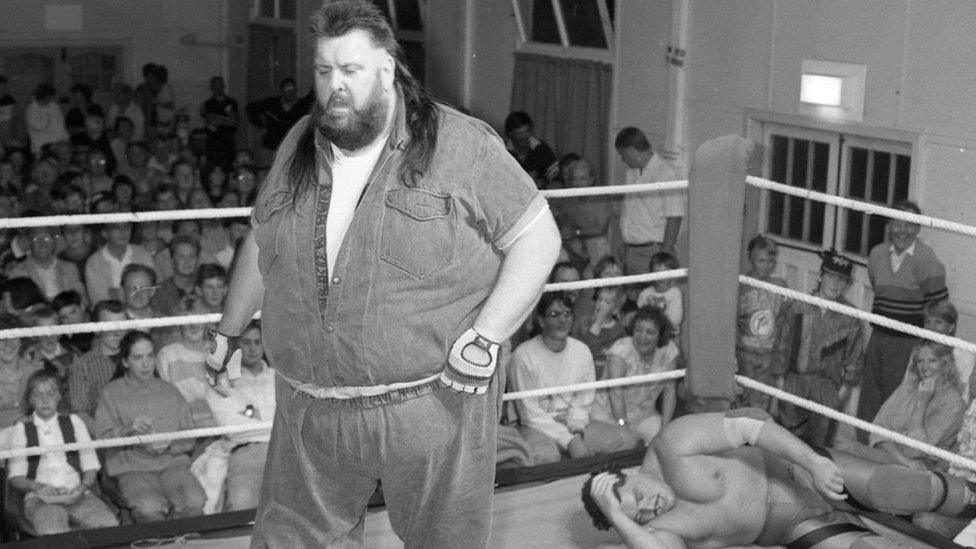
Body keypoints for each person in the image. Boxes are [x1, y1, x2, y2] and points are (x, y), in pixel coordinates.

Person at [205, 2, 560, 547]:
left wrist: (487, 336)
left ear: (388, 70)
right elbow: (262, 238)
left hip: (433, 405)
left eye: (351, 71)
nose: (335, 88)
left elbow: (538, 237)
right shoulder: (301, 142)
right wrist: (228, 331)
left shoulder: (459, 143)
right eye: (324, 72)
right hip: (311, 411)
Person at [583, 409, 976, 548]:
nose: (653, 508)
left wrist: (814, 463)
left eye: (640, 497)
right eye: (642, 516)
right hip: (794, 526)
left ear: (629, 472)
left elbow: (749, 425)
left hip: (798, 472)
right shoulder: (658, 532)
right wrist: (618, 518)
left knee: (899, 488)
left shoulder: (673, 444)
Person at [857, 200, 949, 440]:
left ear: (918, 228)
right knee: (869, 397)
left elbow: (939, 307)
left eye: (908, 225)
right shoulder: (877, 254)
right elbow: (879, 289)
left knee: (896, 399)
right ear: (888, 225)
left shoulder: (927, 260)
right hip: (879, 337)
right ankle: (863, 450)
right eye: (896, 223)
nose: (901, 230)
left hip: (907, 343)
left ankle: (886, 454)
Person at [509, 292, 637, 464]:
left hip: (574, 423)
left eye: (567, 314)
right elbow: (530, 415)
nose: (562, 320)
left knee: (626, 439)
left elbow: (583, 402)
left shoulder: (582, 351)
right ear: (541, 321)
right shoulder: (523, 356)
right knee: (546, 456)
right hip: (536, 426)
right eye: (554, 314)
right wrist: (568, 440)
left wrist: (577, 432)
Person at [95, 330, 205, 522]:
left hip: (172, 464)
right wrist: (129, 431)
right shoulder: (111, 392)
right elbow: (102, 440)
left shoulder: (169, 390)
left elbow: (189, 437)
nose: (146, 364)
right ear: (125, 362)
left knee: (195, 501)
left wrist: (169, 444)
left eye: (150, 356)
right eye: (138, 358)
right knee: (149, 508)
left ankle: (182, 540)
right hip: (131, 469)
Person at [7, 369, 119, 535]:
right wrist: (38, 487)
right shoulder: (21, 429)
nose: (45, 400)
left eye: (51, 394)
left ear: (59, 396)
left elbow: (90, 465)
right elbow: (16, 477)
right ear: (30, 399)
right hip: (40, 499)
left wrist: (82, 487)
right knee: (55, 533)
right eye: (38, 395)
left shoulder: (75, 422)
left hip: (77, 493)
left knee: (109, 525)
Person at [777, 251, 865, 447]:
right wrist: (781, 378)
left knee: (819, 445)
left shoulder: (850, 317)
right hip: (795, 380)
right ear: (820, 277)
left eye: (842, 280)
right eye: (831, 277)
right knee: (789, 440)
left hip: (827, 386)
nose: (836, 284)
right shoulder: (798, 305)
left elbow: (854, 357)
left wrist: (844, 389)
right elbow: (783, 341)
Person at [204, 319, 275, 510]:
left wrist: (251, 414)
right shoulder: (221, 382)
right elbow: (231, 427)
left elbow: (291, 419)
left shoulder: (280, 378)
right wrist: (272, 418)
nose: (252, 348)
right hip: (246, 451)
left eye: (257, 342)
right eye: (246, 342)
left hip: (284, 447)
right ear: (236, 345)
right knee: (241, 505)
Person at [869, 340, 965, 471]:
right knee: (848, 451)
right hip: (893, 457)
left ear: (946, 363)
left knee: (850, 454)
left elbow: (913, 450)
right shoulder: (908, 387)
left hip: (921, 469)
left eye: (932, 361)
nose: (925, 367)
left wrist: (922, 402)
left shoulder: (954, 404)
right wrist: (904, 461)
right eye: (920, 361)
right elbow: (877, 428)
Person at [590, 306, 679, 445]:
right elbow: (616, 393)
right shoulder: (620, 351)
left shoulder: (669, 350)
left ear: (660, 335)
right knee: (625, 442)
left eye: (650, 332)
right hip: (607, 416)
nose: (642, 337)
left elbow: (670, 391)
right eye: (638, 330)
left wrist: (665, 428)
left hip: (645, 416)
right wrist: (623, 427)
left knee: (666, 442)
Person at [614, 126, 684, 275]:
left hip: (653, 250)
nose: (623, 160)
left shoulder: (665, 173)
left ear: (632, 151)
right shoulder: (630, 173)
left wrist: (663, 256)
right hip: (630, 249)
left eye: (623, 154)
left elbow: (675, 215)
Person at [736, 234, 789, 411]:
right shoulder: (741, 284)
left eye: (770, 261)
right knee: (743, 396)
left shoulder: (779, 285)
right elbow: (732, 322)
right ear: (751, 259)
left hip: (768, 353)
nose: (766, 266)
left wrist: (780, 356)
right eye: (761, 261)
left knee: (762, 399)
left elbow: (783, 321)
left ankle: (758, 435)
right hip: (745, 352)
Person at [552, 156, 613, 277]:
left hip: (600, 253)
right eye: (574, 179)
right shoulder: (567, 199)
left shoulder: (600, 197)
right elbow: (558, 216)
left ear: (591, 180)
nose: (578, 183)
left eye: (583, 179)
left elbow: (601, 229)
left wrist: (576, 232)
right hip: (574, 253)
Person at [245, 77, 314, 167]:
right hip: (271, 147)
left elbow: (313, 94)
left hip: (293, 149)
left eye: (292, 89)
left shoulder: (302, 105)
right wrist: (261, 124)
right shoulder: (271, 103)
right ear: (282, 91)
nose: (290, 92)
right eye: (287, 89)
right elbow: (250, 109)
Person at [504, 111, 557, 189]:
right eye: (519, 133)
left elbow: (555, 170)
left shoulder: (541, 147)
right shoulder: (502, 150)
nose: (524, 136)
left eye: (526, 132)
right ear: (510, 134)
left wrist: (544, 180)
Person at [635, 251, 683, 337]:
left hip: (668, 336)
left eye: (665, 272)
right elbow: (639, 316)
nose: (661, 275)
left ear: (674, 274)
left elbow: (674, 319)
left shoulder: (675, 293)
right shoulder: (645, 293)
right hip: (648, 336)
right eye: (657, 271)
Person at [200, 76, 239, 167]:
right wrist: (225, 120)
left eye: (219, 85)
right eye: (214, 85)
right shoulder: (207, 104)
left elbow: (233, 121)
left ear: (223, 86)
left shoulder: (231, 102)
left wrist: (220, 120)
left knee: (229, 165)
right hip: (213, 142)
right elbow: (210, 121)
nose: (217, 87)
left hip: (228, 141)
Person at [25, 83, 68, 157]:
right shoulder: (32, 109)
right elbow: (40, 126)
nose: (52, 98)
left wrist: (65, 139)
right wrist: (44, 110)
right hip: (42, 148)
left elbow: (61, 125)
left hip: (58, 145)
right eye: (50, 96)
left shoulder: (54, 106)